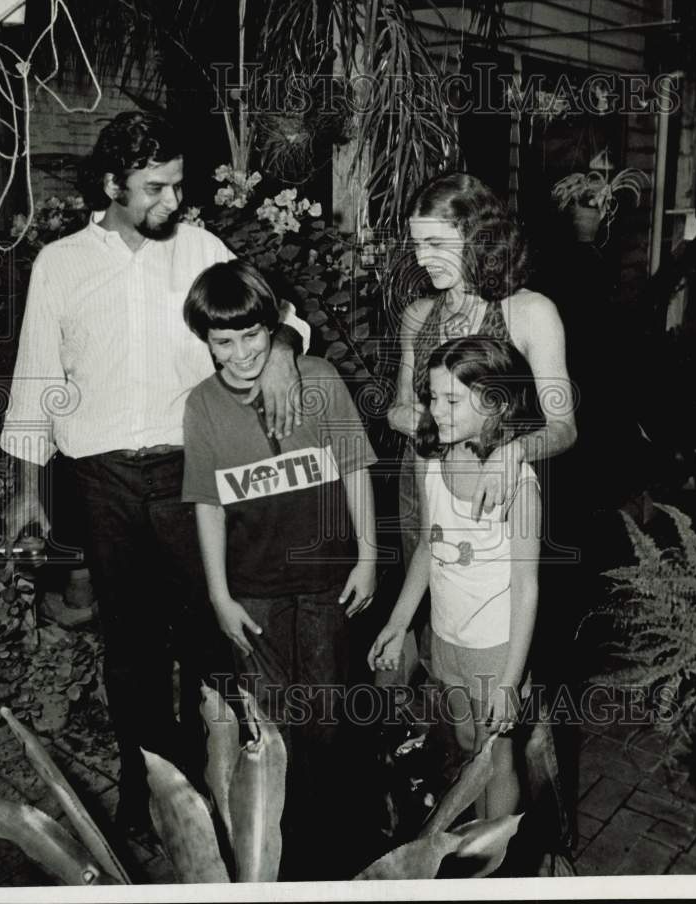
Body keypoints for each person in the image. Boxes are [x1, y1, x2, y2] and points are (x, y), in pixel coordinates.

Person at [0, 111, 309, 834]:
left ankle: (223, 781)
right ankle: (149, 794)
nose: (173, 202)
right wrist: (24, 492)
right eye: (155, 188)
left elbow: (276, 316)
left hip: (188, 471)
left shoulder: (200, 247)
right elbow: (35, 378)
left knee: (212, 637)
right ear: (112, 184)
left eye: (177, 186)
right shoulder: (62, 264)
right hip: (101, 480)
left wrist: (287, 347)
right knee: (132, 650)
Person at [181, 259, 377, 878]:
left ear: (274, 327)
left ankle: (334, 852)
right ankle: (282, 860)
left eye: (253, 335)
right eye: (223, 341)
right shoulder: (203, 405)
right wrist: (219, 595)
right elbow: (208, 503)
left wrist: (369, 555)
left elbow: (356, 468)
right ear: (206, 341)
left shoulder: (316, 378)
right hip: (255, 593)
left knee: (326, 719)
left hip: (326, 583)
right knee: (272, 729)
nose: (240, 354)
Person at [370, 335, 544, 820]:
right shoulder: (431, 458)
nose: (434, 410)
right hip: (447, 635)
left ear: (494, 404)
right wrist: (398, 622)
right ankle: (473, 841)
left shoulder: (519, 487)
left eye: (450, 400)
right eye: (431, 396)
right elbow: (428, 546)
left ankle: (496, 855)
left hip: (494, 648)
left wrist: (511, 680)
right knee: (468, 740)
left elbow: (527, 587)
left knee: (497, 754)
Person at [388, 172, 576, 526]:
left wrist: (514, 451)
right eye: (416, 245)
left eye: (436, 244)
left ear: (477, 237)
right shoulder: (417, 316)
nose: (422, 259)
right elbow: (401, 405)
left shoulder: (530, 313)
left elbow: (564, 427)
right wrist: (400, 416)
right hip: (424, 493)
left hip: (498, 495)